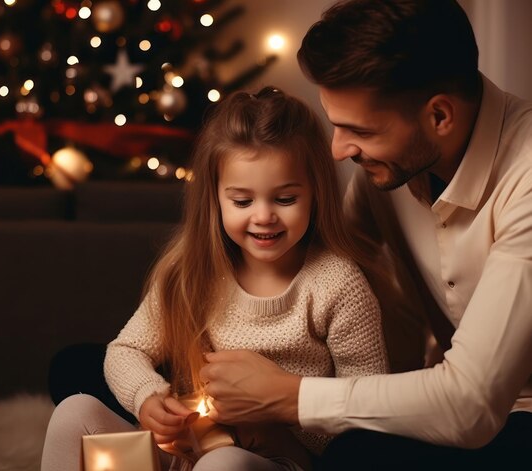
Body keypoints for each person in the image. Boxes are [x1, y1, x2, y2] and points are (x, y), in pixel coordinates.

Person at [198, 0, 532, 468]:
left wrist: (287, 397)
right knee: (81, 368)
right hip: (429, 399)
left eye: (358, 130)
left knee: (355, 455)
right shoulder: (389, 166)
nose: (338, 150)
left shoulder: (527, 179)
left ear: (439, 116)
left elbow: (470, 405)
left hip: (512, 419)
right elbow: (319, 262)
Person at [40, 87, 389, 470]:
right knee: (74, 412)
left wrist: (278, 419)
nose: (263, 216)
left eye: (285, 199)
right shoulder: (193, 274)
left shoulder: (338, 286)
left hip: (276, 459)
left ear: (316, 194)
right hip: (189, 448)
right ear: (216, 198)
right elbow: (125, 352)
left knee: (222, 464)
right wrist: (149, 397)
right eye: (242, 201)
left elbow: (365, 413)